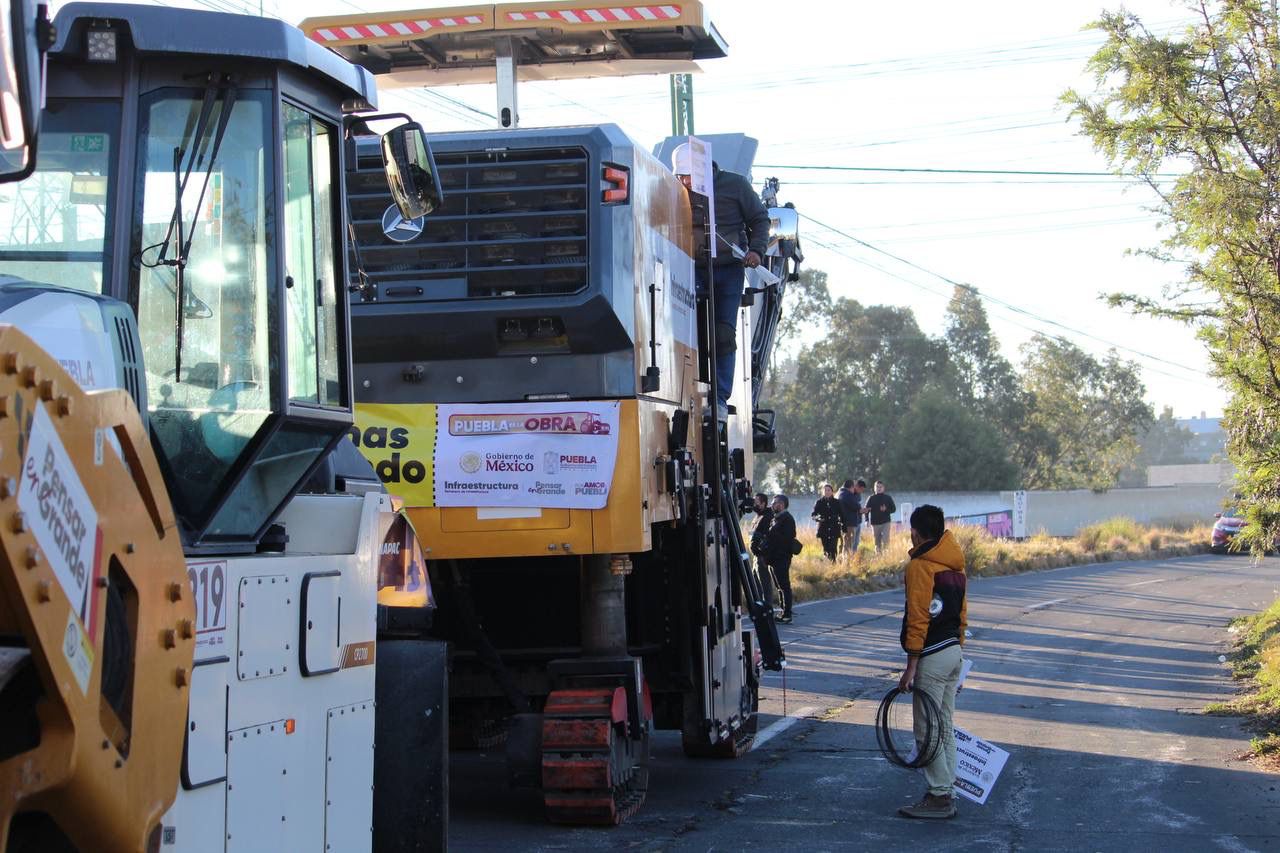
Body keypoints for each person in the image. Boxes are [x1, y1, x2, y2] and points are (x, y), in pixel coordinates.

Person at [685, 157, 770, 420]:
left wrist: (756, 250)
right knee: (691, 329)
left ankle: (719, 400)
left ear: (705, 171)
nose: (686, 183)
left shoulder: (736, 185)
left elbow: (760, 219)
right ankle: (689, 389)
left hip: (729, 268)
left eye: (689, 177)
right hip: (690, 266)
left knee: (723, 333)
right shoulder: (676, 189)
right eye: (682, 178)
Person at [897, 504, 967, 820]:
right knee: (945, 725)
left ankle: (939, 796)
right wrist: (958, 654)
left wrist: (910, 666)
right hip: (953, 652)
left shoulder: (920, 567)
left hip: (932, 655)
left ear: (915, 532)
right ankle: (946, 790)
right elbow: (962, 616)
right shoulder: (955, 566)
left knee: (927, 728)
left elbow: (918, 617)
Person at [764, 494, 797, 622]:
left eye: (775, 503)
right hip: (773, 557)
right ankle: (783, 611)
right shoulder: (776, 518)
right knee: (779, 586)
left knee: (784, 585)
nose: (772, 505)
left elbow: (787, 539)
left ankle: (787, 613)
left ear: (782, 504)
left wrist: (772, 534)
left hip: (782, 557)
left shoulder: (787, 519)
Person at [749, 492, 776, 609]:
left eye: (756, 502)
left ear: (763, 503)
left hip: (762, 556)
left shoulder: (768, 516)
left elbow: (767, 537)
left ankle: (767, 609)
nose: (754, 504)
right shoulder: (758, 516)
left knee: (764, 584)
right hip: (756, 556)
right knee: (756, 584)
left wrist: (764, 554)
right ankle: (760, 608)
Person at [811, 483, 843, 562]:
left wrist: (844, 527)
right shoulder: (819, 502)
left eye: (829, 490)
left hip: (834, 528)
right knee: (826, 548)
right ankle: (828, 563)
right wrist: (818, 518)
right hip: (824, 528)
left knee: (833, 548)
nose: (827, 492)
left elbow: (842, 515)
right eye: (825, 490)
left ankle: (833, 563)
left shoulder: (837, 502)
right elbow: (813, 515)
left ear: (832, 492)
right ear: (823, 492)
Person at [837, 479, 866, 561]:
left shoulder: (839, 493)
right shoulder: (847, 494)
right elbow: (856, 506)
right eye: (854, 487)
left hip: (843, 522)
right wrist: (861, 509)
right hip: (849, 523)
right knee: (848, 543)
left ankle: (842, 560)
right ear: (851, 487)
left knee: (844, 542)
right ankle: (847, 561)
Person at [865, 480, 897, 553]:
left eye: (880, 487)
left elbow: (894, 509)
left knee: (885, 540)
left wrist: (886, 509)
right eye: (877, 487)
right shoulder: (871, 498)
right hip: (875, 523)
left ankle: (886, 555)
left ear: (883, 488)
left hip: (886, 522)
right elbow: (866, 510)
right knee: (877, 542)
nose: (879, 488)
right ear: (874, 488)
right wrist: (866, 520)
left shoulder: (888, 498)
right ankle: (878, 556)